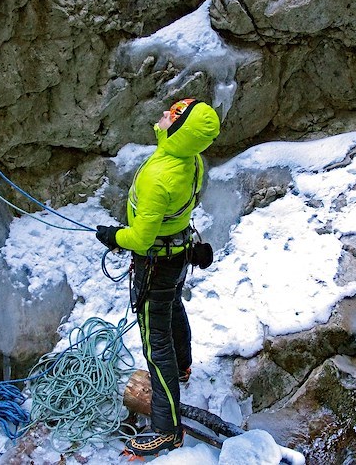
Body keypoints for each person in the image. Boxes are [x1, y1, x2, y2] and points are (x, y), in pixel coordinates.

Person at [95, 98, 220, 457]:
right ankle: (182, 367)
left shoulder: (159, 175)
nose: (165, 114)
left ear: (180, 129)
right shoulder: (190, 159)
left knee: (155, 343)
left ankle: (166, 430)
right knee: (172, 306)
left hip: (156, 262)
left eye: (173, 114)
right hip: (179, 254)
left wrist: (113, 237)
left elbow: (141, 239)